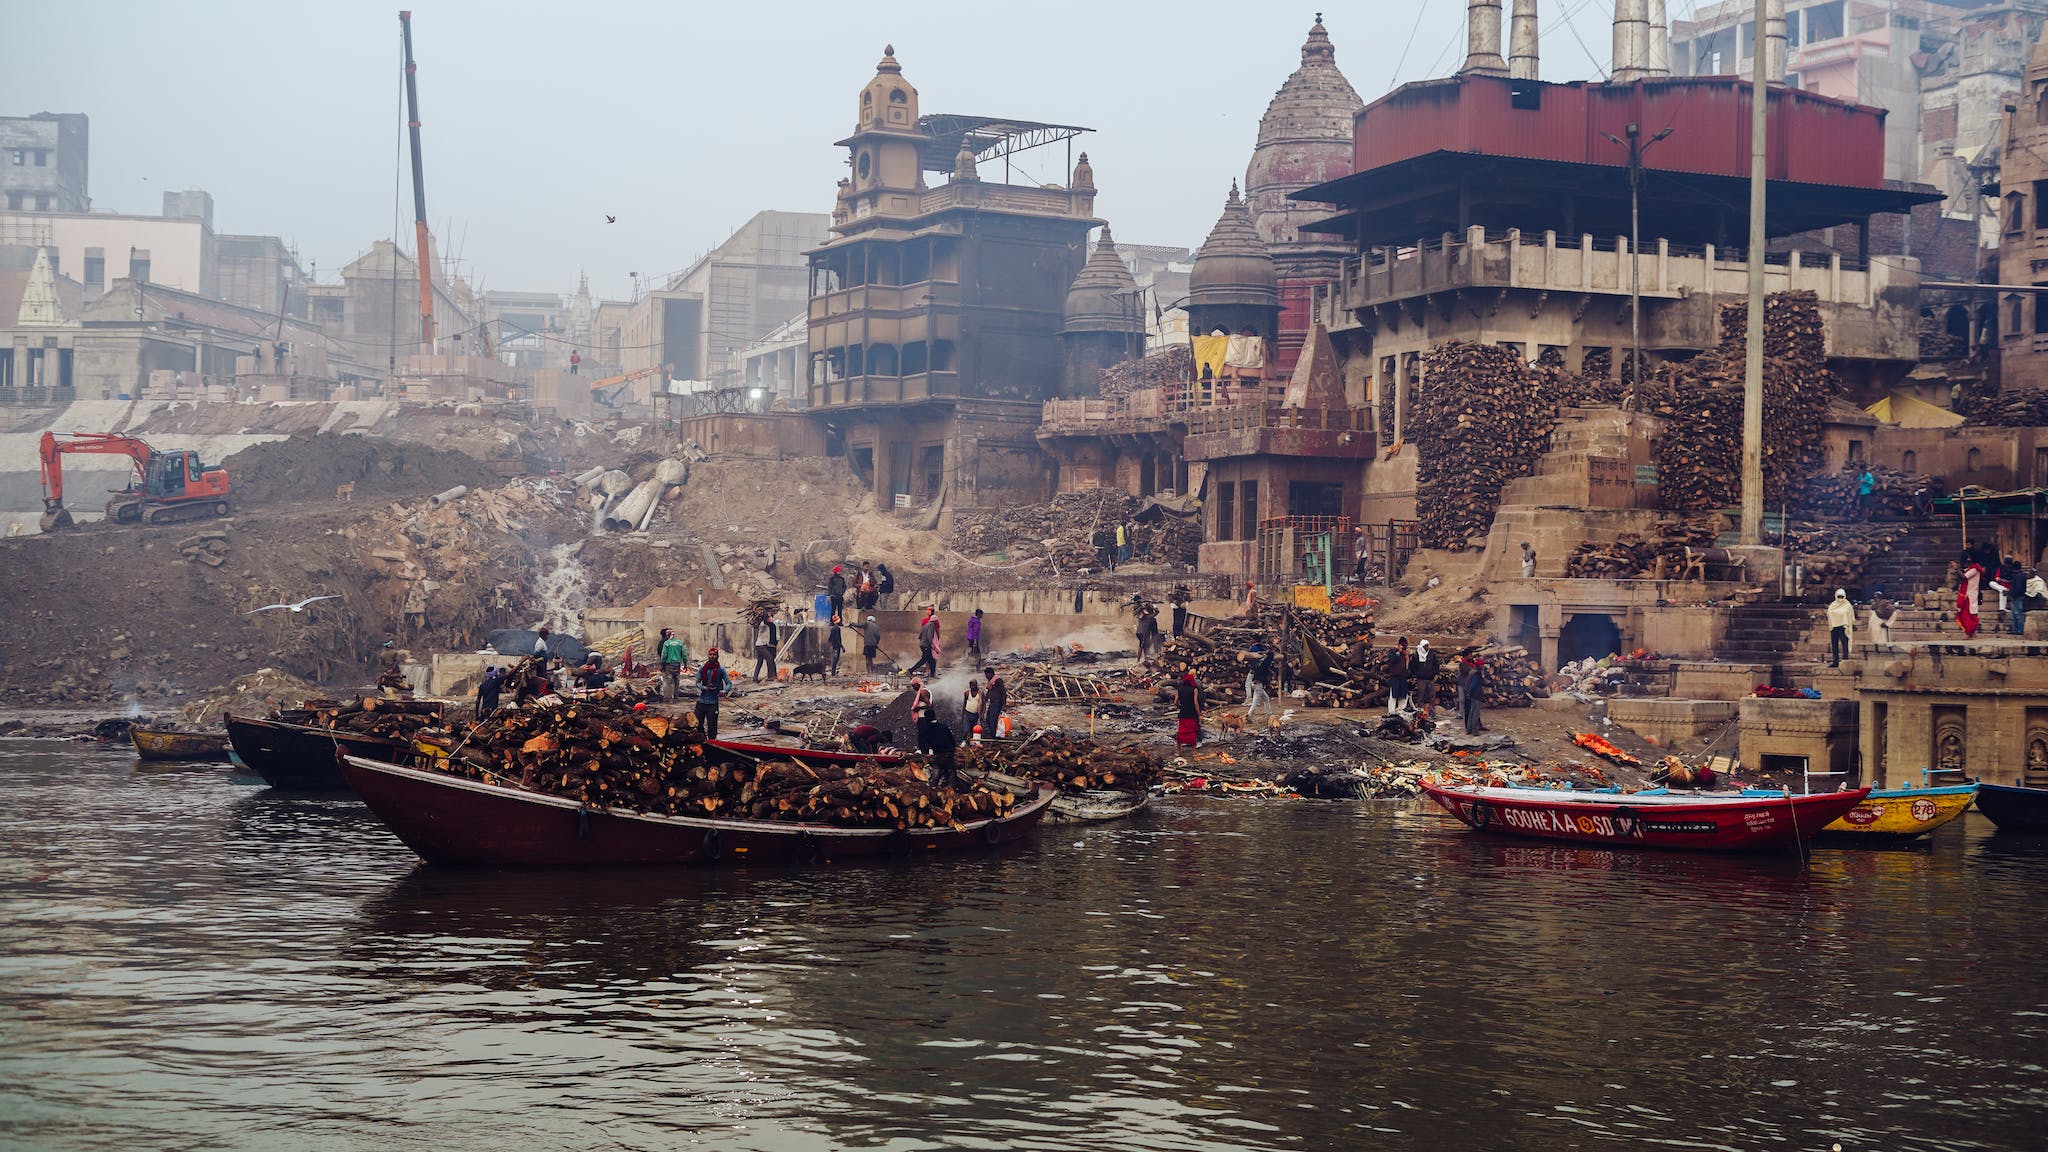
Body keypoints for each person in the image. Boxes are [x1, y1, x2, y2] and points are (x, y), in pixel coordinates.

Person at [694, 647, 733, 739]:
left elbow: (729, 684)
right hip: (701, 702)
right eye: (710, 655)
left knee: (712, 727)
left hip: (713, 702)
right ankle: (703, 741)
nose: (712, 656)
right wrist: (704, 688)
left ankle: (712, 743)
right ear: (708, 656)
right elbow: (697, 683)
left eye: (714, 655)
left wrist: (723, 691)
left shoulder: (721, 670)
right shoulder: (702, 668)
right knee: (697, 725)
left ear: (717, 656)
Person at [1244, 642, 1275, 721]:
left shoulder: (1260, 662)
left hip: (1255, 683)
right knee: (1255, 701)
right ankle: (1249, 715)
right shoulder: (1266, 663)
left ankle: (1269, 714)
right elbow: (1270, 653)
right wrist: (1266, 652)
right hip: (1258, 684)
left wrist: (1263, 652)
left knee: (1266, 698)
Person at [1458, 650, 1487, 735]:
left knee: (1471, 712)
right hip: (1475, 695)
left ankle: (1469, 729)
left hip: (1471, 694)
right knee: (1475, 712)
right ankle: (1475, 730)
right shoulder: (1475, 673)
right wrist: (1469, 694)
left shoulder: (1473, 671)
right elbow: (1473, 685)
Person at [1410, 639, 1440, 718]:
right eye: (1425, 646)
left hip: (1430, 679)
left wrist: (1434, 674)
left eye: (1427, 646)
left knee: (1432, 697)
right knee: (1421, 697)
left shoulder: (1431, 654)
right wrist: (1417, 674)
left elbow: (1436, 665)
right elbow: (1412, 667)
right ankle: (1420, 713)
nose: (1427, 647)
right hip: (1421, 679)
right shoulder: (1416, 656)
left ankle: (1432, 713)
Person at [658, 627, 687, 701]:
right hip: (677, 665)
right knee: (676, 681)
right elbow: (684, 654)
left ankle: (668, 697)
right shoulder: (679, 643)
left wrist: (661, 664)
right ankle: (676, 698)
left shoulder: (666, 643)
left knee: (668, 681)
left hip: (669, 665)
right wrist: (685, 664)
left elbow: (664, 655)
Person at [909, 607, 940, 677]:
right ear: (934, 621)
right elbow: (929, 636)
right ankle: (911, 670)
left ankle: (932, 674)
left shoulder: (925, 625)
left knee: (931, 660)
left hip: (922, 645)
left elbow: (920, 635)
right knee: (924, 660)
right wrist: (932, 644)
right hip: (926, 645)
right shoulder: (931, 625)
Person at [1826, 588, 1855, 666]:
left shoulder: (1847, 605)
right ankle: (1835, 661)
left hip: (1843, 627)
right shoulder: (1833, 605)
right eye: (1839, 596)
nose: (1840, 599)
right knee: (1834, 644)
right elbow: (1829, 613)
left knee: (1844, 644)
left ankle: (1845, 660)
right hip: (1834, 627)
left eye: (1842, 597)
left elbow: (1850, 616)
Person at [1174, 670, 1202, 749]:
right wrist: (1199, 713)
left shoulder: (1179, 690)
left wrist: (1180, 706)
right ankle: (1198, 741)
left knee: (1183, 728)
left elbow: (1175, 702)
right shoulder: (1194, 689)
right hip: (1192, 711)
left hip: (1183, 711)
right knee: (1195, 727)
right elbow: (1195, 703)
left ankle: (1185, 742)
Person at [1386, 636, 1412, 716]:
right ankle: (1391, 712)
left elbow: (1408, 667)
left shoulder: (1406, 654)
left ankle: (1401, 712)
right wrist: (1398, 652)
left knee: (1403, 697)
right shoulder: (1393, 652)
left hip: (1403, 677)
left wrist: (1407, 658)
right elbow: (1392, 660)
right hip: (1395, 677)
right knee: (1393, 696)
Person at [751, 613, 779, 681]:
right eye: (768, 617)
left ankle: (755, 678)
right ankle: (770, 676)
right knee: (769, 659)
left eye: (771, 617)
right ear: (766, 619)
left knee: (760, 662)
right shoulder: (763, 625)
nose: (770, 618)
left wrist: (776, 643)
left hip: (769, 646)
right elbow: (758, 624)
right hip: (760, 645)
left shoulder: (775, 625)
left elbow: (777, 635)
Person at [983, 666, 1008, 738]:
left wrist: (1004, 705)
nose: (986, 677)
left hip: (997, 703)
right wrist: (985, 699)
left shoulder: (998, 680)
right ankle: (992, 733)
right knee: (988, 719)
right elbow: (989, 691)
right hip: (992, 702)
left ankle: (993, 736)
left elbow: (1003, 693)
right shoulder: (991, 681)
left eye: (986, 675)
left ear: (990, 674)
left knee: (993, 719)